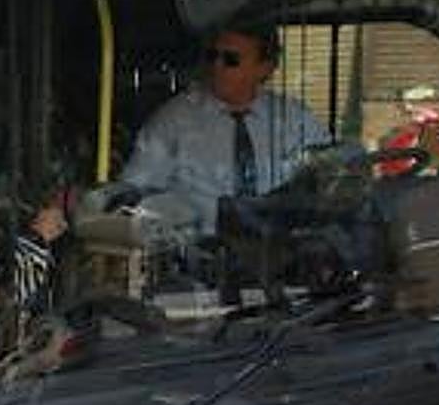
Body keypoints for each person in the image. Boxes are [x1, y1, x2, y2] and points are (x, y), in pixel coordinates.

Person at [34, 21, 329, 243]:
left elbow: (331, 181)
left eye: (231, 60)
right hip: (203, 264)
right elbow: (131, 196)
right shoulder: (174, 121)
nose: (217, 66)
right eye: (213, 55)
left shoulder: (295, 120)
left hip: (284, 259)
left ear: (266, 67)